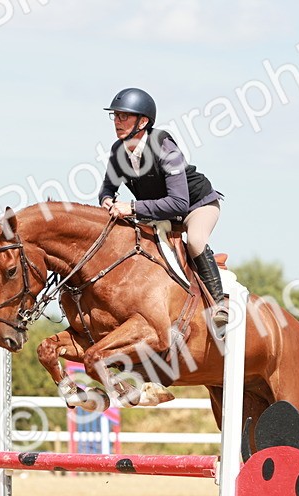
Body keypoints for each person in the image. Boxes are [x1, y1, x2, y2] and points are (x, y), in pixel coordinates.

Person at [97, 87, 228, 328]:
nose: (117, 121)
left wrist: (132, 208)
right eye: (115, 116)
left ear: (143, 121)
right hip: (159, 213)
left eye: (124, 116)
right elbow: (107, 188)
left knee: (197, 241)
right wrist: (107, 201)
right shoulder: (119, 152)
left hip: (196, 205)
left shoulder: (164, 146)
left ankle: (219, 306)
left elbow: (179, 203)